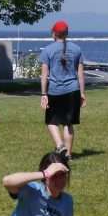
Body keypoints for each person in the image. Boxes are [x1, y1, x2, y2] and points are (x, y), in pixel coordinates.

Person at [39, 20, 85, 160]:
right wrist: (82, 93)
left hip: (55, 91)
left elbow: (44, 75)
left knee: (51, 122)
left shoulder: (48, 50)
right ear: (67, 33)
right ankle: (69, 154)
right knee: (68, 123)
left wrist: (43, 94)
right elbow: (81, 74)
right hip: (73, 90)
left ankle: (60, 146)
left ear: (54, 33)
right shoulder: (77, 49)